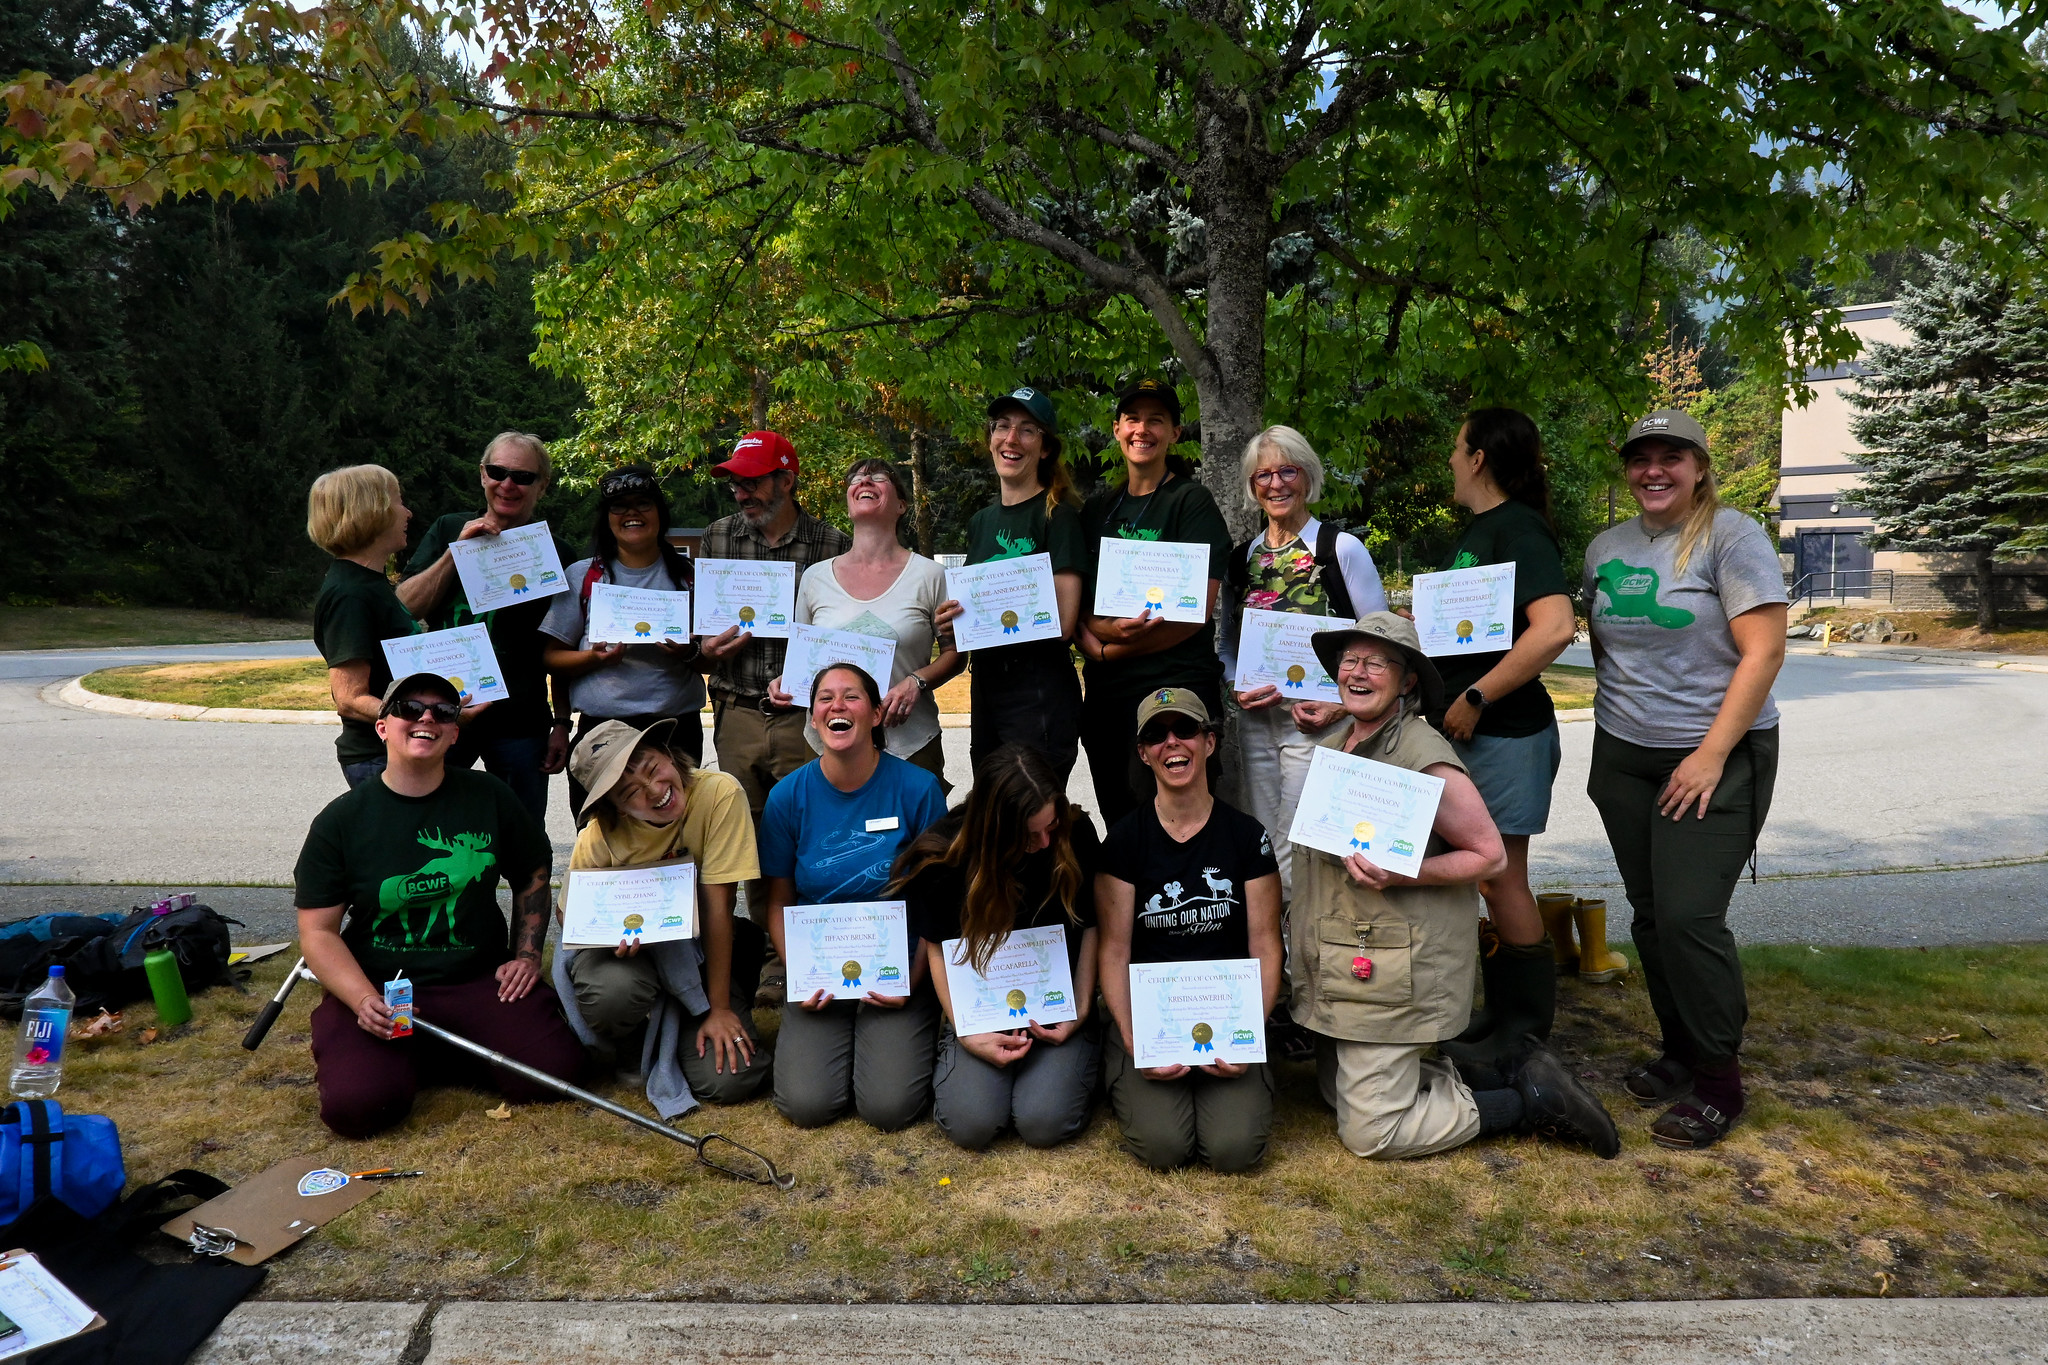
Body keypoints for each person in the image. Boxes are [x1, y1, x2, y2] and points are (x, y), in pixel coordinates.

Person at [1288, 614, 1619, 1160]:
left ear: (1408, 680)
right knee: (1334, 1094)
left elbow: (1489, 855)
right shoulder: (1345, 737)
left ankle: (1528, 1102)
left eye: (1377, 662)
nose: (1358, 671)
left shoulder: (1424, 755)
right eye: (1350, 660)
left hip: (1388, 966)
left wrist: (1405, 870)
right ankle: (1476, 1073)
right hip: (1344, 959)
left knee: (1372, 1132)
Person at [1583, 409, 1787, 1151]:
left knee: (1690, 917)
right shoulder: (1607, 546)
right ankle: (1680, 1048)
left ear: (1700, 465)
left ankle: (1719, 1081)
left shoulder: (1733, 537)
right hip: (1624, 752)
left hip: (1715, 755)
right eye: (1641, 458)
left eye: (1672, 456)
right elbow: (1609, 648)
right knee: (1647, 911)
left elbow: (1763, 653)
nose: (1654, 471)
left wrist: (1708, 754)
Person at [292, 672, 583, 1138]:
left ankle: (434, 1050)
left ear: (453, 733)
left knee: (555, 1074)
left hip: (476, 978)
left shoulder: (489, 796)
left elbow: (532, 872)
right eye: (409, 708)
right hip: (385, 988)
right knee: (358, 1110)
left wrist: (525, 956)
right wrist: (363, 999)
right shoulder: (340, 822)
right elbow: (318, 931)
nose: (426, 717)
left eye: (443, 713)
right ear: (382, 726)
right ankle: (414, 1053)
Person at [1421, 410, 1582, 1076]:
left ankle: (1524, 1032)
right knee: (1487, 880)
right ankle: (1498, 1013)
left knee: (1500, 875)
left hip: (1507, 733)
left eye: (1457, 447)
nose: (1451, 459)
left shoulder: (1518, 528)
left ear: (1480, 457)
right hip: (1468, 735)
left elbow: (1553, 628)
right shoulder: (1480, 532)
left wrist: (1480, 694)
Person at [1096, 690, 1283, 1173]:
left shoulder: (1246, 836)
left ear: (1209, 742)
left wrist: (1249, 1034)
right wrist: (1131, 1033)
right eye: (1156, 736)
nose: (1171, 743)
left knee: (1233, 1150)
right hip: (1153, 1017)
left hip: (1228, 1011)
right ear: (1143, 753)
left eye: (1185, 731)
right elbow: (1114, 950)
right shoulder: (1123, 840)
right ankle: (1120, 1064)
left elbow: (1264, 942)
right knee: (1164, 1148)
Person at [758, 664, 947, 1129]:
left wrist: (913, 980)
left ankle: (928, 1034)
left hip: (898, 965)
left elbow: (939, 898)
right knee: (806, 1106)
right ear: (812, 715)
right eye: (824, 698)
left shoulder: (918, 789)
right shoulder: (787, 797)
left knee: (889, 1107)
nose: (836, 707)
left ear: (878, 713)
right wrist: (799, 973)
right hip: (820, 967)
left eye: (851, 697)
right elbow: (778, 900)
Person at [896, 745, 1101, 1150]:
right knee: (970, 1123)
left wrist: (1079, 1008)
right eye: (1029, 835)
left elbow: (1092, 926)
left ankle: (1078, 1057)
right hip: (981, 1006)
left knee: (1045, 1122)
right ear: (993, 827)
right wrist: (965, 1030)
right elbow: (937, 948)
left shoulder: (1074, 835)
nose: (1044, 842)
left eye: (1051, 826)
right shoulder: (944, 856)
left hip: (1058, 1002)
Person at [557, 718, 770, 1107]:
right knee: (614, 993)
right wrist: (608, 935)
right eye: (630, 792)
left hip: (697, 948)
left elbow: (719, 904)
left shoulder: (719, 794)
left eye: (654, 769)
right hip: (630, 958)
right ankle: (630, 1041)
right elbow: (569, 915)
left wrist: (720, 1009)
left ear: (669, 755)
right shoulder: (598, 835)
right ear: (616, 808)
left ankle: (691, 1019)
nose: (654, 791)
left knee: (730, 1082)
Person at [1220, 425, 1388, 899]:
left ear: (1307, 476)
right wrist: (1236, 683)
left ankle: (1308, 963)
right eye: (1263, 475)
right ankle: (1277, 954)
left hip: (1319, 726)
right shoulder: (1243, 559)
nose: (1275, 485)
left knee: (1303, 846)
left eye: (1287, 471)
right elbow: (1229, 644)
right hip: (1257, 723)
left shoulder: (1340, 550)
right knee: (1263, 844)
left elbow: (1382, 643)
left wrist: (1341, 707)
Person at [695, 430, 852, 889]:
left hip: (804, 717)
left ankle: (817, 946)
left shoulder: (833, 544)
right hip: (736, 712)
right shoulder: (718, 537)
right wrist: (705, 651)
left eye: (753, 481)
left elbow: (844, 636)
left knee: (817, 836)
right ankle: (773, 956)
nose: (742, 493)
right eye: (735, 484)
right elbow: (701, 635)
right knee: (753, 849)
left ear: (787, 480)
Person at [1077, 380, 1235, 828]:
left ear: (1174, 433)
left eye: (1156, 420)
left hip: (1176, 694)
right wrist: (1100, 635)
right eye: (1132, 419)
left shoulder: (1190, 501)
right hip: (1108, 700)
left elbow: (1194, 613)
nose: (1142, 429)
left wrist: (1110, 648)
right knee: (1123, 824)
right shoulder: (1098, 509)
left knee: (1181, 823)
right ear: (1116, 429)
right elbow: (1078, 605)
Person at [397, 432, 570, 828]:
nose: (507, 484)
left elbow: (562, 645)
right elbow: (406, 605)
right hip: (441, 713)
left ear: (542, 486)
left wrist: (562, 722)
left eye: (523, 477)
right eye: (498, 471)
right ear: (482, 475)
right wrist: (457, 552)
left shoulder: (555, 553)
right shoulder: (449, 529)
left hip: (520, 724)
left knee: (523, 842)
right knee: (428, 829)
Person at [769, 459, 960, 787]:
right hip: (828, 745)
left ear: (901, 504)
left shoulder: (932, 576)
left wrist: (917, 681)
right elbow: (802, 660)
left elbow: (955, 654)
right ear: (848, 501)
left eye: (878, 477)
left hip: (910, 743)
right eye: (855, 479)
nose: (864, 481)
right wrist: (786, 682)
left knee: (920, 839)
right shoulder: (815, 578)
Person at [933, 387, 1087, 781]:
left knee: (1034, 816)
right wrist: (953, 620)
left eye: (1027, 430)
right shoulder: (981, 522)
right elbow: (970, 608)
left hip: (1037, 687)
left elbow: (1065, 622)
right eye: (1002, 427)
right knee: (993, 814)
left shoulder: (1059, 516)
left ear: (1046, 447)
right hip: (987, 684)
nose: (1011, 439)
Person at [540, 465, 705, 821]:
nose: (632, 513)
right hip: (600, 728)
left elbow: (711, 661)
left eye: (643, 503)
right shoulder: (583, 575)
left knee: (676, 839)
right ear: (607, 518)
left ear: (660, 513)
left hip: (675, 730)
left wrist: (687, 651)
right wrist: (593, 659)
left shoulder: (691, 578)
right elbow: (551, 658)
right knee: (601, 839)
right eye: (619, 506)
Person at [307, 465, 419, 788]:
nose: (407, 513)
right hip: (377, 758)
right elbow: (350, 698)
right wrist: (426, 716)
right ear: (373, 512)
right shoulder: (349, 594)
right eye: (399, 502)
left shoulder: (370, 582)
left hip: (392, 753)